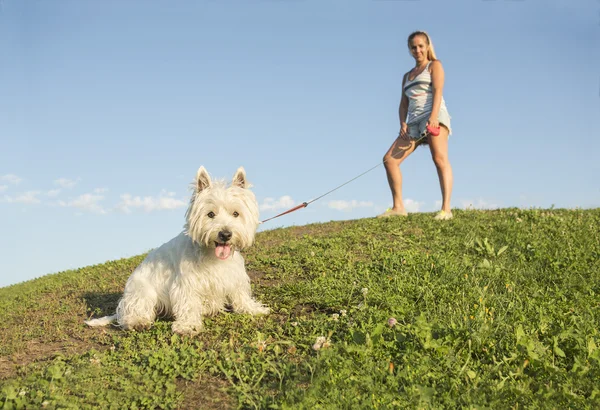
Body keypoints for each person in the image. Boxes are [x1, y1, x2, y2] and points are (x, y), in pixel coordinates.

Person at [378, 30, 454, 220]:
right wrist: (402, 123)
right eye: (414, 47)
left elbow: (438, 91)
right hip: (413, 122)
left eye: (421, 46)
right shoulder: (407, 76)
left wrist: (434, 117)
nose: (417, 50)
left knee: (439, 159)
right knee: (389, 160)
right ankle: (398, 207)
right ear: (409, 50)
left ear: (427, 46)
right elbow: (403, 103)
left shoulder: (434, 66)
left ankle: (446, 209)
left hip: (434, 116)